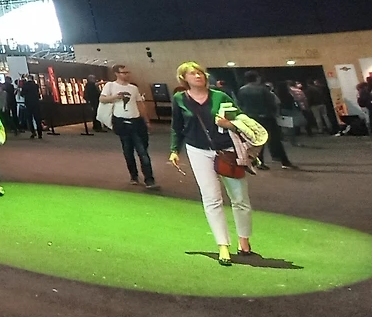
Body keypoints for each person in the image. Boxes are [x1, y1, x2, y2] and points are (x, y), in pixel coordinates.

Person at [168, 62, 253, 267]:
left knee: (240, 198)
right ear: (184, 78)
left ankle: (244, 240)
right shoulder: (180, 99)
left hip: (227, 150)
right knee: (211, 198)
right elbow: (177, 126)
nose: (198, 76)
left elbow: (242, 120)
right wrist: (174, 150)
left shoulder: (220, 96)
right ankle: (222, 245)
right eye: (192, 73)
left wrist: (228, 124)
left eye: (200, 73)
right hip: (197, 150)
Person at [99, 64, 157, 189]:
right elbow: (102, 99)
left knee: (142, 151)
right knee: (128, 150)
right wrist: (116, 97)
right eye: (123, 72)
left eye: (127, 72)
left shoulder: (133, 88)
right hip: (121, 122)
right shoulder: (110, 86)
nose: (127, 75)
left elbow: (140, 105)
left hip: (136, 121)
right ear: (116, 74)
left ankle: (149, 179)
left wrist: (146, 121)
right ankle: (134, 176)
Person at [236, 71, 293, 169]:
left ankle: (259, 162)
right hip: (266, 117)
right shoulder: (263, 89)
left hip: (251, 118)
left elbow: (240, 104)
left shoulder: (242, 90)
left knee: (257, 141)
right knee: (275, 139)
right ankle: (284, 161)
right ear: (257, 78)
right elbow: (271, 103)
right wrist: (275, 112)